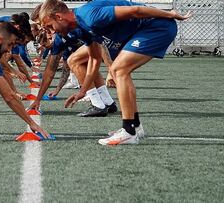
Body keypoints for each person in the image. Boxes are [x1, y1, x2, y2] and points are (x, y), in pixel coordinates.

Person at [39, 0, 192, 145]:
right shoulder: (81, 27)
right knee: (121, 71)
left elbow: (135, 10)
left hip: (157, 26)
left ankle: (128, 131)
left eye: (50, 26)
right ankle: (135, 126)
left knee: (119, 69)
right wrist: (83, 90)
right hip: (144, 30)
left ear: (58, 17)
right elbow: (94, 59)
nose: (51, 32)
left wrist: (170, 14)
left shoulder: (89, 16)